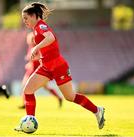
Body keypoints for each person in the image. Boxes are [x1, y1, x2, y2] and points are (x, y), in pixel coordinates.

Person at [15, 2, 105, 130]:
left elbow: (50, 37)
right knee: (28, 90)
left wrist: (36, 47)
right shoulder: (36, 29)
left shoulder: (41, 26)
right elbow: (49, 45)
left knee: (70, 97)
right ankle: (29, 122)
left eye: (26, 18)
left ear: (34, 15)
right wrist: (39, 53)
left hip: (58, 66)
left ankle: (97, 110)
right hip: (46, 66)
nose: (24, 21)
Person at [19, 32, 62, 109]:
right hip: (32, 68)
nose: (29, 40)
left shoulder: (38, 47)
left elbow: (39, 57)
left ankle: (59, 97)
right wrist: (29, 61)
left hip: (37, 68)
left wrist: (31, 59)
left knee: (28, 85)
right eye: (29, 39)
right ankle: (24, 103)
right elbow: (31, 57)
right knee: (26, 85)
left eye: (31, 39)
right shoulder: (31, 46)